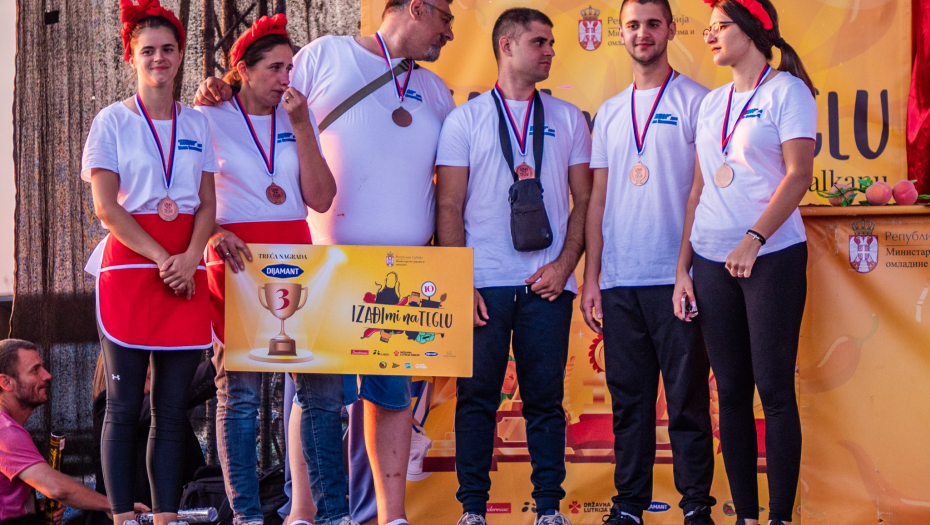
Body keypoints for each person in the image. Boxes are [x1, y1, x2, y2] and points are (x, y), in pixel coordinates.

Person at [194, 0, 456, 522]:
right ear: (416, 8)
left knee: (392, 395)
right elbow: (259, 104)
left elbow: (448, 185)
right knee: (314, 396)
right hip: (321, 265)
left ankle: (391, 516)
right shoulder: (325, 55)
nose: (449, 32)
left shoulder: (435, 90)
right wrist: (220, 89)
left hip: (402, 270)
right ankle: (302, 513)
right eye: (445, 18)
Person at [435, 8, 591, 525]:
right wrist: (459, 282)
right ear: (506, 45)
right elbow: (448, 205)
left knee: (545, 401)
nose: (550, 51)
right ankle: (472, 510)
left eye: (551, 42)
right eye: (539, 42)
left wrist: (565, 265)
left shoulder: (568, 117)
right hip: (482, 284)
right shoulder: (465, 119)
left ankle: (548, 508)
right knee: (476, 400)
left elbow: (585, 199)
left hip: (546, 283)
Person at [675, 1, 816, 524]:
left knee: (774, 391)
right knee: (731, 394)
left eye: (720, 27)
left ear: (753, 30)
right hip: (711, 260)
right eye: (707, 29)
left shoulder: (787, 92)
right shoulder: (712, 103)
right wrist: (682, 269)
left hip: (771, 257)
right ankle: (746, 517)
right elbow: (697, 191)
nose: (710, 36)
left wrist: (754, 238)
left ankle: (778, 517)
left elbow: (798, 175)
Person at [578, 1, 716, 524]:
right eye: (633, 25)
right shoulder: (610, 111)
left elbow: (701, 193)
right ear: (621, 33)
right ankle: (629, 506)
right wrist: (592, 277)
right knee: (628, 403)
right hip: (619, 281)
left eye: (653, 24)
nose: (643, 34)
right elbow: (597, 199)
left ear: (671, 30)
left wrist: (686, 270)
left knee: (686, 402)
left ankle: (696, 506)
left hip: (677, 280)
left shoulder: (698, 102)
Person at [195, 14, 335, 525]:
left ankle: (333, 513)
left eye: (290, 68)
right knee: (241, 396)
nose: (285, 78)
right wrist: (212, 234)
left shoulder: (298, 116)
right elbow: (186, 196)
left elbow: (321, 198)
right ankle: (247, 515)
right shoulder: (208, 116)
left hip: (296, 257)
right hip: (238, 261)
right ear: (243, 70)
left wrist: (302, 127)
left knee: (321, 394)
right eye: (275, 67)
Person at [81, 0, 218, 523]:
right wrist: (165, 258)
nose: (158, 58)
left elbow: (207, 203)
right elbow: (106, 207)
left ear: (180, 55)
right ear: (131, 57)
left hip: (186, 268)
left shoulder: (198, 123)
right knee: (122, 408)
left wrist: (191, 256)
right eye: (148, 51)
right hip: (135, 267)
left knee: (172, 411)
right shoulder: (112, 121)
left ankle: (164, 516)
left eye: (167, 49)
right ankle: (121, 516)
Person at [0, 339, 150, 525]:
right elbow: (57, 488)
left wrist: (35, 508)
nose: (47, 375)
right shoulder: (5, 431)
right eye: (35, 370)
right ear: (6, 382)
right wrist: (114, 507)